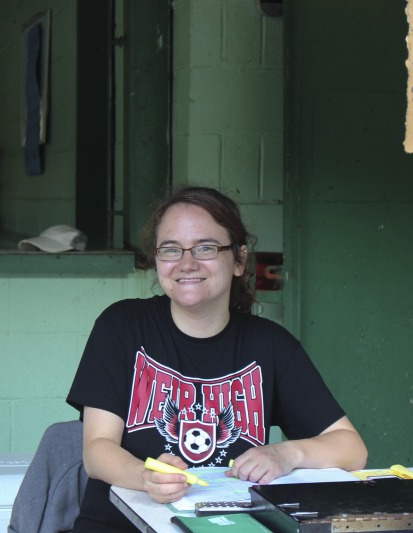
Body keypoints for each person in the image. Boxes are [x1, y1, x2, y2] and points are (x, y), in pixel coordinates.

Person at [66, 186, 368, 532]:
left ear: (239, 260)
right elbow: (97, 450)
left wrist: (286, 455)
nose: (187, 263)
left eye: (206, 248)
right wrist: (143, 476)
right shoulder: (122, 326)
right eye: (171, 249)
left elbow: (352, 448)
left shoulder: (270, 345)